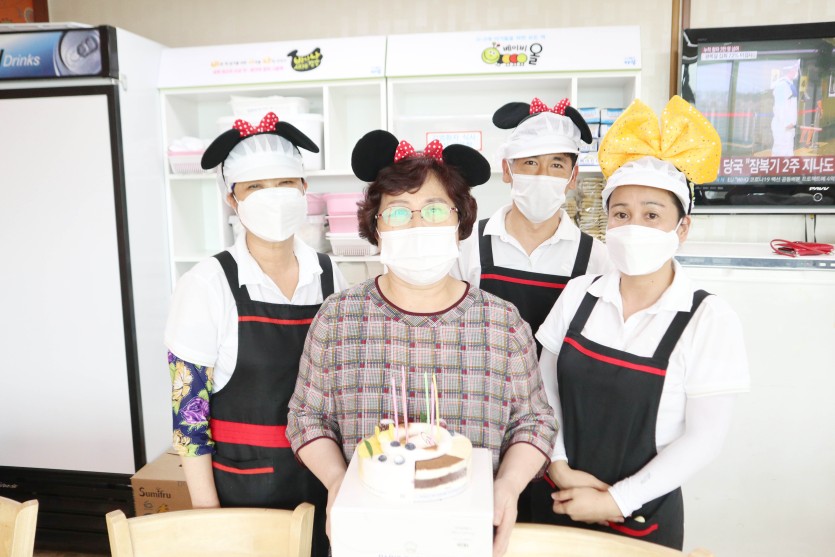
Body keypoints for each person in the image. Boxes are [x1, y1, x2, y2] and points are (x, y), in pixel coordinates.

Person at [286, 130, 558, 557]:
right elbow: (307, 417)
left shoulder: (502, 324)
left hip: (465, 535)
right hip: (367, 534)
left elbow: (534, 422)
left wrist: (507, 485)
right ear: (376, 228)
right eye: (397, 212)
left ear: (459, 221)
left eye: (433, 209)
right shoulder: (338, 318)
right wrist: (338, 481)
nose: (417, 225)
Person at [533, 96, 751, 549]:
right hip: (558, 496)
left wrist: (616, 499)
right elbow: (544, 389)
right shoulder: (579, 295)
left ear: (682, 228)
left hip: (641, 516)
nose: (634, 227)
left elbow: (704, 438)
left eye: (652, 215)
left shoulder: (708, 319)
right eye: (622, 214)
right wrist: (557, 462)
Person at [165, 112, 348, 557]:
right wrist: (208, 516)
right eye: (255, 187)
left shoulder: (329, 275)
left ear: (304, 188)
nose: (274, 197)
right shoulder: (206, 284)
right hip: (243, 491)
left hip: (325, 479)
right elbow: (189, 415)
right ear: (232, 198)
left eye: (284, 183)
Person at [453, 97, 611, 357]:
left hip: (557, 385)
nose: (542, 175)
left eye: (556, 165)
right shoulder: (466, 246)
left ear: (573, 177)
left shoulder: (598, 259)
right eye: (530, 162)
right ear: (507, 170)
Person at [771, 63, 799, 156]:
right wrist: (787, 123)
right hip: (783, 125)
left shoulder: (789, 84)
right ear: (790, 71)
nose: (796, 71)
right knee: (780, 150)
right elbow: (780, 106)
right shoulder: (782, 85)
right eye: (794, 69)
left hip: (788, 126)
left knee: (787, 149)